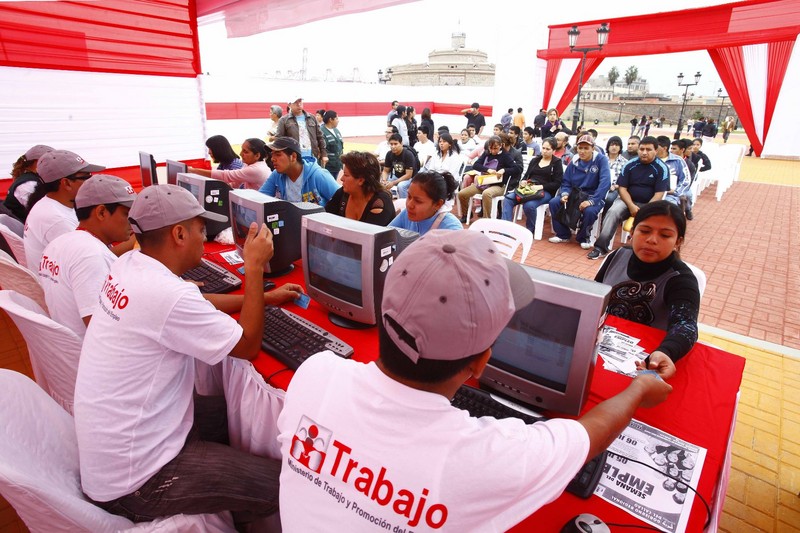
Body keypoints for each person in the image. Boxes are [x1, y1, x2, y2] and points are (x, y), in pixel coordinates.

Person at [276, 229, 672, 531]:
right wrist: (637, 389)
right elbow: (589, 434)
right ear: (481, 363)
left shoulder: (317, 372)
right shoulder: (487, 459)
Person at [74, 184, 302, 525]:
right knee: (280, 485)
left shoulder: (130, 264)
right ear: (179, 234)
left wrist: (264, 299)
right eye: (200, 228)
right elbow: (248, 345)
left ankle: (235, 497)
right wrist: (253, 269)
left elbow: (189, 302)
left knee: (235, 413)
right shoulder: (165, 294)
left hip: (122, 448)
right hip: (138, 483)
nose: (204, 235)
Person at [595, 200, 700, 379]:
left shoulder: (681, 280)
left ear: (678, 241)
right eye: (644, 231)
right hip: (600, 349)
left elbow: (686, 326)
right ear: (632, 231)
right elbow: (595, 296)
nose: (652, 240)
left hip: (645, 363)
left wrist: (666, 352)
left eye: (665, 235)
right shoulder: (617, 256)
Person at [38, 175, 136, 339]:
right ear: (102, 212)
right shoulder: (91, 256)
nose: (133, 222)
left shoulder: (59, 243)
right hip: (94, 355)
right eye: (127, 214)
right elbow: (102, 330)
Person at [587, 136, 668, 260]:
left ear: (656, 151)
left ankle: (641, 251)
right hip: (627, 200)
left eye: (648, 149)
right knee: (613, 212)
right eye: (642, 149)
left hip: (650, 203)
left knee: (650, 220)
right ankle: (600, 247)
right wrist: (631, 206)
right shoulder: (630, 164)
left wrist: (646, 210)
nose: (644, 152)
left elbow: (659, 194)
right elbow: (622, 188)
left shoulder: (661, 168)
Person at [24, 149, 105, 269]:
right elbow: (94, 261)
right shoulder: (58, 221)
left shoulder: (48, 204)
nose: (91, 182)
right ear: (66, 183)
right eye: (86, 177)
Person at [548, 135, 610, 249]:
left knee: (590, 211)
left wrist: (592, 201)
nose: (582, 151)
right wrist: (565, 194)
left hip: (593, 195)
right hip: (575, 194)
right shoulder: (574, 161)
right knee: (554, 202)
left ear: (593, 148)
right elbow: (566, 181)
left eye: (586, 148)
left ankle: (583, 237)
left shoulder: (601, 159)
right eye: (580, 148)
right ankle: (563, 234)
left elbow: (605, 183)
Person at [501, 137, 563, 235]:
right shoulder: (535, 160)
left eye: (548, 149)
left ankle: (529, 230)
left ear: (554, 150)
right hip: (528, 189)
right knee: (508, 199)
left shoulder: (556, 163)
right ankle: (506, 230)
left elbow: (557, 183)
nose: (544, 151)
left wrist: (541, 186)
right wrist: (523, 182)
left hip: (545, 191)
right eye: (543, 148)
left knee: (529, 206)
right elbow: (526, 176)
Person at [259, 136, 339, 206]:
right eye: (272, 154)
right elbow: (260, 199)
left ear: (293, 157)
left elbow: (342, 200)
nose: (272, 159)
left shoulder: (319, 175)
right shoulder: (277, 174)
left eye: (278, 154)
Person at [325, 151, 395, 226]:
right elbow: (325, 218)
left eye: (346, 175)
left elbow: (369, 235)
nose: (341, 179)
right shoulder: (343, 193)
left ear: (361, 180)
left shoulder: (379, 204)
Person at [456, 135, 514, 222]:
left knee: (486, 194)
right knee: (462, 194)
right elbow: (476, 165)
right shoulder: (487, 153)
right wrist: (488, 169)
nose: (493, 151)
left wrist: (503, 170)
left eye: (495, 148)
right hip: (483, 183)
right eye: (491, 148)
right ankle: (466, 214)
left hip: (499, 186)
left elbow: (516, 169)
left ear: (501, 145)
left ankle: (486, 220)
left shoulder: (505, 155)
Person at [389, 171, 462, 234]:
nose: (409, 205)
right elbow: (385, 235)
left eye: (418, 201)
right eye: (409, 196)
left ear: (438, 204)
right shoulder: (406, 214)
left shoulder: (451, 228)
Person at [189, 138, 269, 190]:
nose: (241, 154)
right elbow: (234, 183)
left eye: (245, 152)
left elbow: (225, 176)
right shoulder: (247, 165)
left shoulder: (256, 169)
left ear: (257, 155)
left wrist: (193, 170)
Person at [3, 144, 53, 222]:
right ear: (38, 162)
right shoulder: (28, 184)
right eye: (51, 161)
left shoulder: (34, 180)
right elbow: (42, 213)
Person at [277, 97, 327, 166]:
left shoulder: (312, 118)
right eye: (295, 102)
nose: (299, 104)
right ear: (289, 105)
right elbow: (279, 140)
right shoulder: (284, 120)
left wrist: (324, 154)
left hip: (312, 157)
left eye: (300, 101)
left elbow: (320, 137)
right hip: (294, 158)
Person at [381, 133, 418, 199]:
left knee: (401, 186)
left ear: (401, 144)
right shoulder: (389, 154)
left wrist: (393, 183)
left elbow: (408, 175)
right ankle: (389, 202)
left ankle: (404, 204)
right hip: (397, 176)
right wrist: (384, 180)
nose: (393, 146)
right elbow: (385, 171)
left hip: (411, 178)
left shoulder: (408, 154)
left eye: (395, 144)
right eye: (391, 144)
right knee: (384, 184)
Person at [603, 136, 628, 214]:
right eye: (612, 145)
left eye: (617, 145)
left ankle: (604, 219)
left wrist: (615, 186)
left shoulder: (625, 162)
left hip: (615, 188)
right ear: (608, 147)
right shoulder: (601, 159)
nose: (614, 147)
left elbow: (625, 180)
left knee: (609, 199)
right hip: (600, 186)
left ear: (620, 147)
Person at [321, 110, 344, 178]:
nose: (338, 120)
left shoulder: (336, 131)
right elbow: (322, 148)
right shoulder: (321, 131)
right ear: (331, 119)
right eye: (336, 118)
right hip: (328, 166)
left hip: (337, 165)